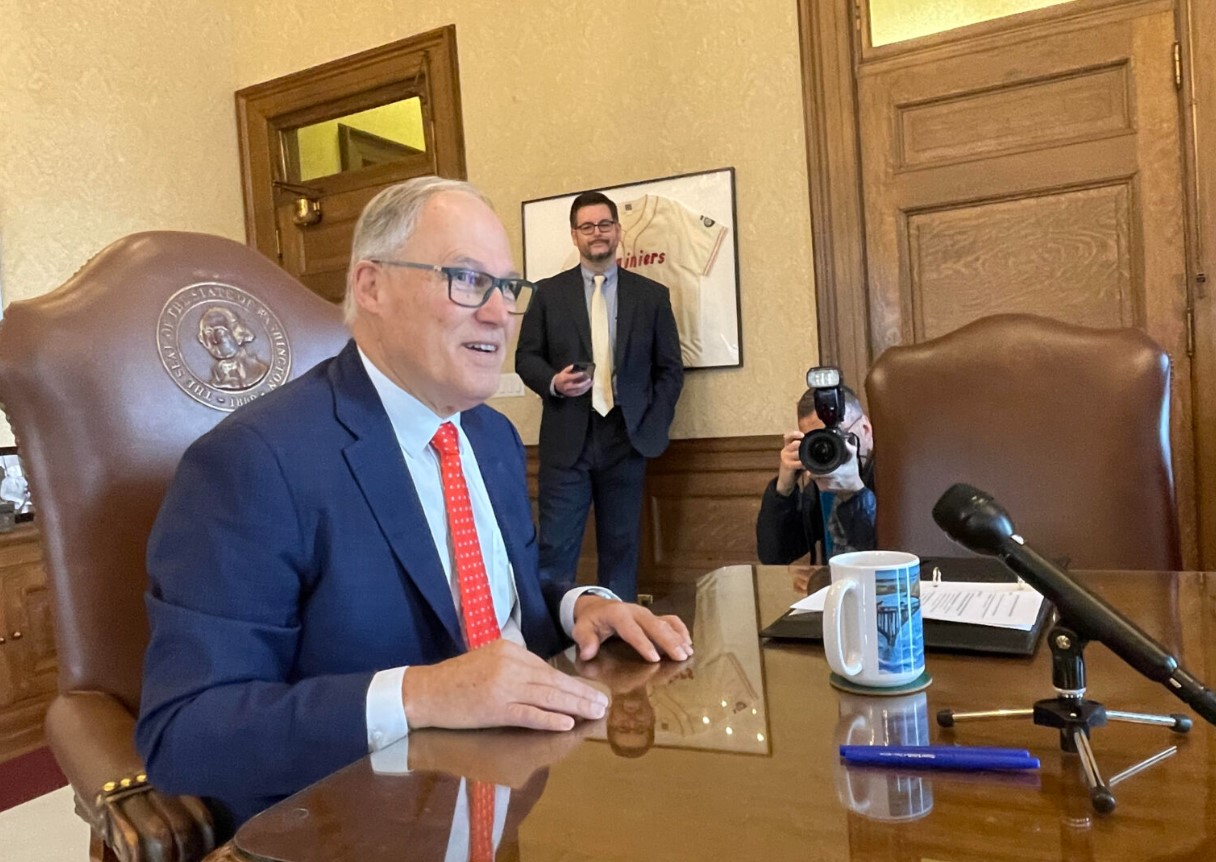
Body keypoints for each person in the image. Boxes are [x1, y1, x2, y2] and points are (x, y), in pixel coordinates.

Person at [136, 177, 693, 831]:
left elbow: (485, 609)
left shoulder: (492, 438)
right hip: (364, 826)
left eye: (507, 288)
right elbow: (186, 734)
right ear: (371, 286)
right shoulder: (254, 462)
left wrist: (579, 609)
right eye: (465, 279)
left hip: (515, 800)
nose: (499, 314)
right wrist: (420, 693)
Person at [515, 191, 684, 601]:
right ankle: (548, 643)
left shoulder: (651, 297)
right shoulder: (546, 294)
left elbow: (670, 370)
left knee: (621, 550)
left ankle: (619, 641)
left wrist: (651, 423)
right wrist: (554, 381)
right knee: (555, 549)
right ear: (574, 236)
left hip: (627, 438)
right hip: (567, 438)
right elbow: (525, 358)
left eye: (604, 224)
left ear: (618, 231)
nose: (597, 233)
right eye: (587, 226)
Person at [756, 385, 876, 567]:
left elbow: (887, 558)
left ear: (865, 430)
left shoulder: (898, 474)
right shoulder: (820, 484)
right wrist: (783, 490)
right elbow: (775, 556)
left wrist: (854, 492)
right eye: (818, 439)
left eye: (836, 435)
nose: (828, 447)